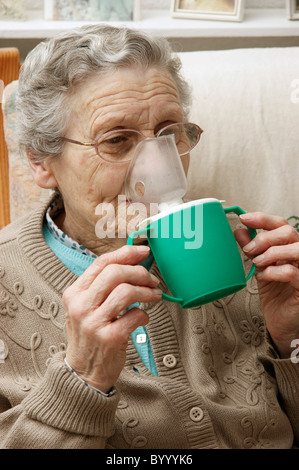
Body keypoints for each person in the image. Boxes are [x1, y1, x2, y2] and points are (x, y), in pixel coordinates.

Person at [0, 24, 298, 450]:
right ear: (42, 160)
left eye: (168, 135)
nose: (158, 171)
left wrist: (290, 341)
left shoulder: (248, 253)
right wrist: (81, 380)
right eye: (118, 141)